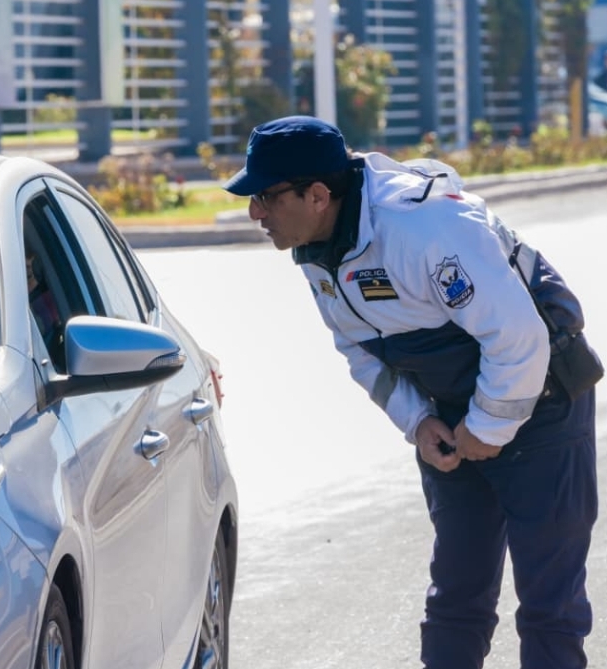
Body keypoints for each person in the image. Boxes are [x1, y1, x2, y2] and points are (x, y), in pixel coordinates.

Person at [222, 115, 600, 669]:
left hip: (539, 401)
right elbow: (360, 350)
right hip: (449, 417)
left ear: (318, 194)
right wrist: (420, 422)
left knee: (549, 603)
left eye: (265, 197)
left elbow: (518, 337)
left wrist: (487, 428)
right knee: (457, 594)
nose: (254, 213)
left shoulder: (424, 226)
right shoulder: (314, 245)